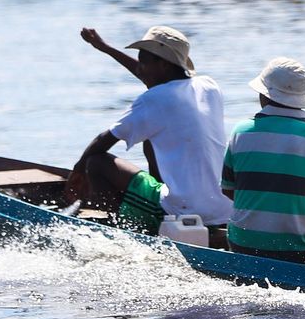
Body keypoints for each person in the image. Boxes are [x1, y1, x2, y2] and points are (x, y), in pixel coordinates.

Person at [69, 26, 233, 235]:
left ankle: (120, 232)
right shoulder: (209, 86)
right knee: (150, 140)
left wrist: (78, 171)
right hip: (224, 208)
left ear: (163, 64)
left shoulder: (154, 100)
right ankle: (157, 208)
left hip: (186, 208)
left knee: (96, 162)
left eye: (144, 62)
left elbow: (104, 140)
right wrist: (105, 48)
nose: (140, 69)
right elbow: (154, 80)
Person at [221, 57, 305, 265]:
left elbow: (228, 190)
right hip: (300, 251)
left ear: (264, 94)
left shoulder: (241, 133)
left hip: (243, 244)